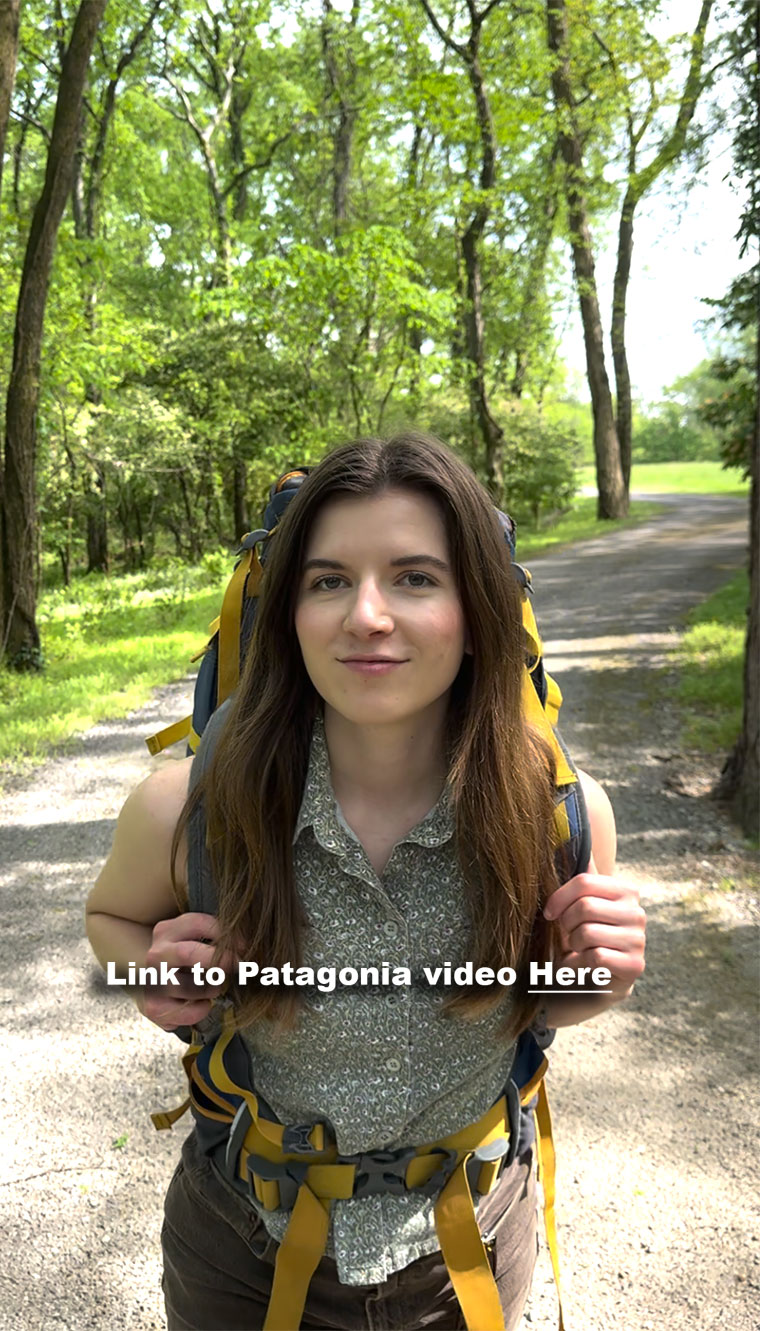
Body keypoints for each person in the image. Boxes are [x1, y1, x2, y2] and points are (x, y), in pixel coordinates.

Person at [86, 431, 646, 1331]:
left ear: (479, 611)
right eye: (329, 580)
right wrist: (152, 977)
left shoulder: (560, 815)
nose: (367, 615)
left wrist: (598, 983)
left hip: (467, 1247)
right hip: (241, 1243)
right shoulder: (187, 809)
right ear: (291, 614)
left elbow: (538, 1005)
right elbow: (111, 917)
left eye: (416, 577)